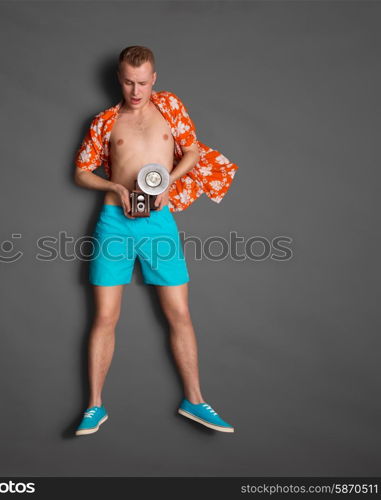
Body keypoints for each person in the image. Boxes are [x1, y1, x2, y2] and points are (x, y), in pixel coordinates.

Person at [73, 46, 239, 436]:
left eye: (143, 82)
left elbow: (193, 151)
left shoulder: (170, 107)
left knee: (179, 313)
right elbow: (81, 171)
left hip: (159, 223)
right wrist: (114, 184)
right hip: (115, 222)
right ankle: (94, 408)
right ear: (119, 78)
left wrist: (170, 182)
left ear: (154, 79)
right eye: (129, 82)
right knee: (104, 316)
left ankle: (195, 400)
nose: (136, 90)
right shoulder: (105, 121)